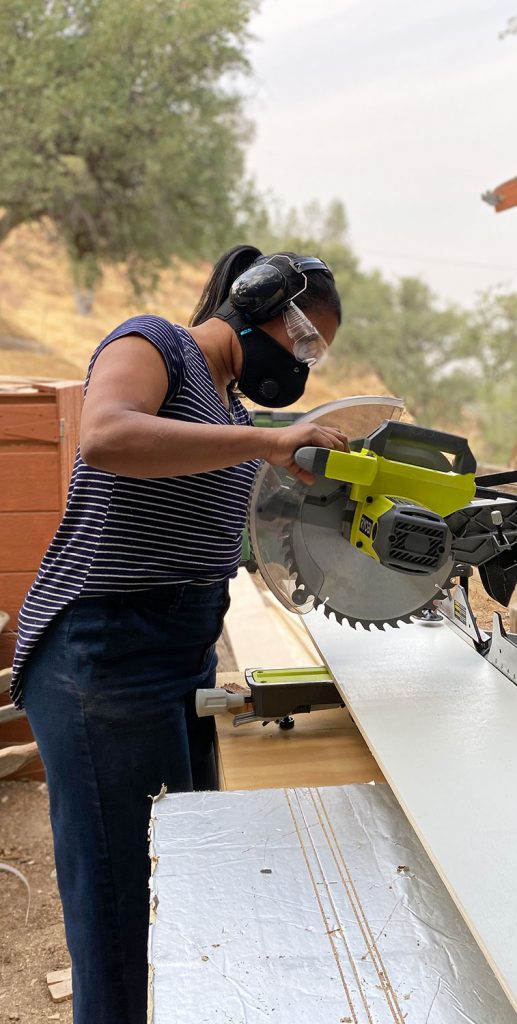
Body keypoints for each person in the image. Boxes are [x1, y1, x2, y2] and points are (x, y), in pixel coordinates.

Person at [10, 244, 348, 1024]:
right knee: (123, 903)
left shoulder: (229, 408)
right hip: (104, 655)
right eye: (302, 340)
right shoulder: (152, 342)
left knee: (181, 879)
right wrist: (269, 442)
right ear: (258, 301)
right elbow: (106, 435)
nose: (303, 361)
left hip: (180, 653)